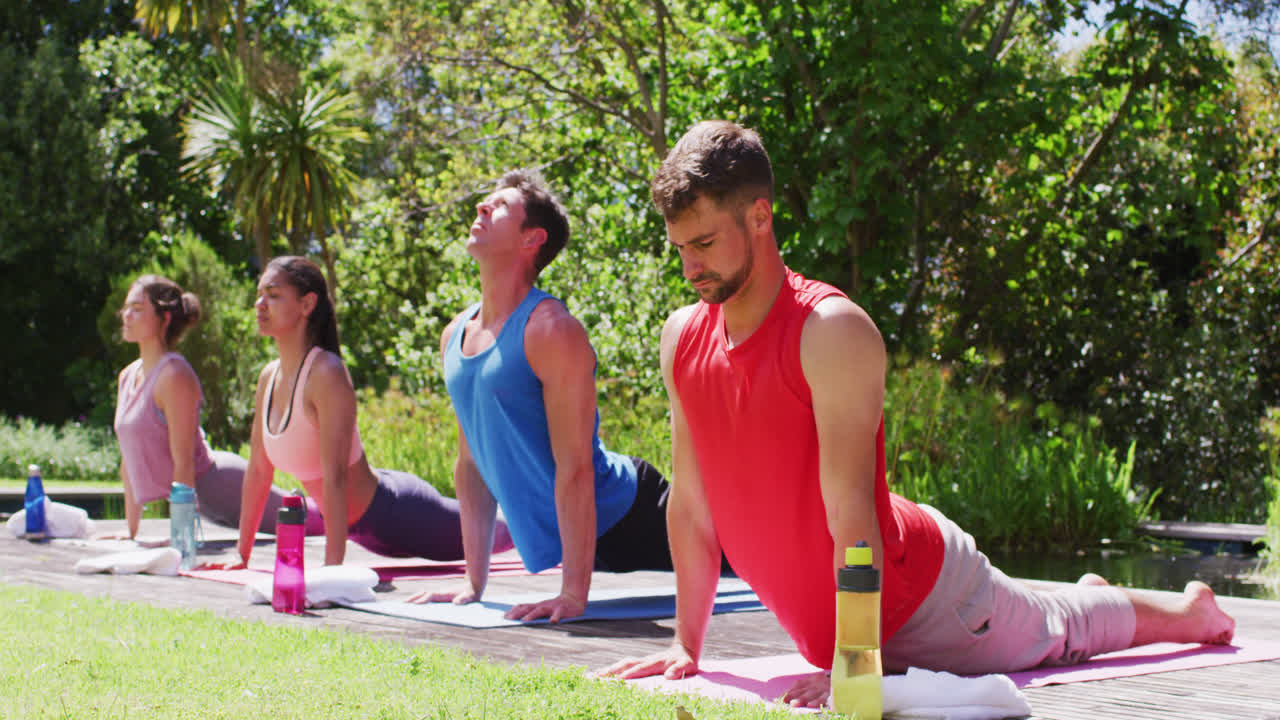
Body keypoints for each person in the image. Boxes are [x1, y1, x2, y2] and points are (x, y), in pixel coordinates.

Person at [599, 121, 1236, 707]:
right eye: (679, 248)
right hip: (871, 594)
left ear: (760, 217)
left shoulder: (828, 331)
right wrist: (686, 644)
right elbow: (691, 505)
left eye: (704, 243)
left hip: (927, 601)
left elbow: (852, 517)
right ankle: (1083, 596)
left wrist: (854, 664)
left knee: (1060, 630)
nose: (690, 267)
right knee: (1046, 610)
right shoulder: (683, 337)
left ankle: (1194, 613)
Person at [409, 170, 675, 622]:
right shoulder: (454, 334)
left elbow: (575, 466)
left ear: (532, 239)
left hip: (634, 513)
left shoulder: (551, 329)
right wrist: (473, 583)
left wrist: (572, 594)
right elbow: (471, 463)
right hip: (586, 540)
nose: (481, 207)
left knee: (760, 565)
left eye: (500, 206)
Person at [215, 256, 511, 568]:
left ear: (307, 304)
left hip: (397, 514)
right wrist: (241, 554)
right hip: (365, 533)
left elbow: (336, 477)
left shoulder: (325, 373)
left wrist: (332, 570)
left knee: (508, 531)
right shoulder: (269, 377)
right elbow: (259, 471)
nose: (260, 304)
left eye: (273, 295)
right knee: (505, 527)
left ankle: (542, 508)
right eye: (259, 294)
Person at [112, 274, 310, 539]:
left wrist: (182, 538)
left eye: (137, 309)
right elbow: (128, 460)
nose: (126, 315)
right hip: (204, 504)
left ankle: (326, 505)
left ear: (165, 318)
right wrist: (131, 532)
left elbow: (184, 463)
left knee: (311, 523)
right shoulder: (127, 376)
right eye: (126, 308)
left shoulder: (173, 375)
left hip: (221, 486)